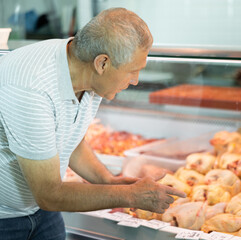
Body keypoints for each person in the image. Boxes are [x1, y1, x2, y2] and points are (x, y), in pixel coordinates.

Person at [0, 7, 186, 240]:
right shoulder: (31, 87)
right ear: (103, 64)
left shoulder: (86, 72)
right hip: (5, 218)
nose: (135, 81)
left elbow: (71, 141)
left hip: (42, 212)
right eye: (132, 71)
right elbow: (49, 194)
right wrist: (129, 195)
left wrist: (110, 182)